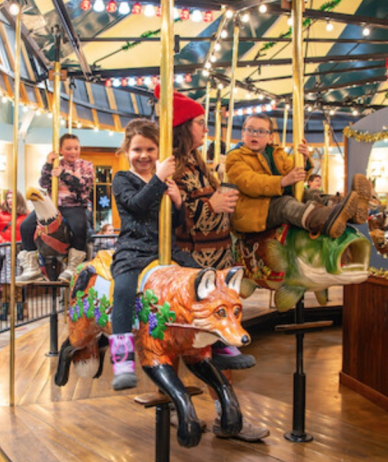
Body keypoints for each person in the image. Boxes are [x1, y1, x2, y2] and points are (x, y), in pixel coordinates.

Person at [161, 86, 269, 442]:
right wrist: (213, 206)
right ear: (182, 127)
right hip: (196, 266)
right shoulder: (175, 168)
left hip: (218, 260)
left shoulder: (199, 164)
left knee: (213, 344)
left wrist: (223, 204)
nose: (205, 128)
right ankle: (216, 414)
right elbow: (173, 217)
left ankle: (221, 414)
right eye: (199, 123)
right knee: (200, 343)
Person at [110, 118, 199, 391]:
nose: (144, 155)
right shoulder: (122, 179)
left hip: (166, 249)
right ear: (127, 151)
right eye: (137, 149)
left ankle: (217, 344)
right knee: (124, 291)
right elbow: (136, 206)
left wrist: (178, 202)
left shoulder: (165, 180)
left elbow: (176, 222)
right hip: (134, 250)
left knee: (203, 280)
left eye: (150, 149)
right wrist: (159, 179)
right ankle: (122, 362)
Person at [226, 113, 371, 239]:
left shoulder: (277, 153)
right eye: (250, 130)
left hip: (274, 200)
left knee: (311, 193)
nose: (255, 134)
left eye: (261, 131)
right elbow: (250, 182)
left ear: (270, 137)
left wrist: (304, 159)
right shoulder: (235, 157)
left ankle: (349, 208)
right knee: (285, 205)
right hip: (254, 210)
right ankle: (326, 221)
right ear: (243, 134)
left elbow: (294, 172)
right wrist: (282, 181)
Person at [18, 134, 95, 283]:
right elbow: (44, 183)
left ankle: (74, 265)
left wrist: (64, 175)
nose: (73, 152)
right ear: (60, 150)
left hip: (74, 205)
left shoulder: (85, 165)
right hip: (54, 205)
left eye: (76, 148)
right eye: (68, 148)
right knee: (26, 226)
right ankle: (32, 268)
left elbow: (84, 185)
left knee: (79, 226)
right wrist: (48, 165)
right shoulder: (55, 164)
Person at [0, 190, 29, 321]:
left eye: (13, 198)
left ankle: (20, 310)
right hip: (5, 251)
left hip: (20, 252)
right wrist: (3, 242)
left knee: (20, 282)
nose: (10, 200)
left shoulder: (26, 214)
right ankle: (5, 310)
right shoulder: (1, 214)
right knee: (5, 281)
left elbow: (31, 230)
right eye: (8, 198)